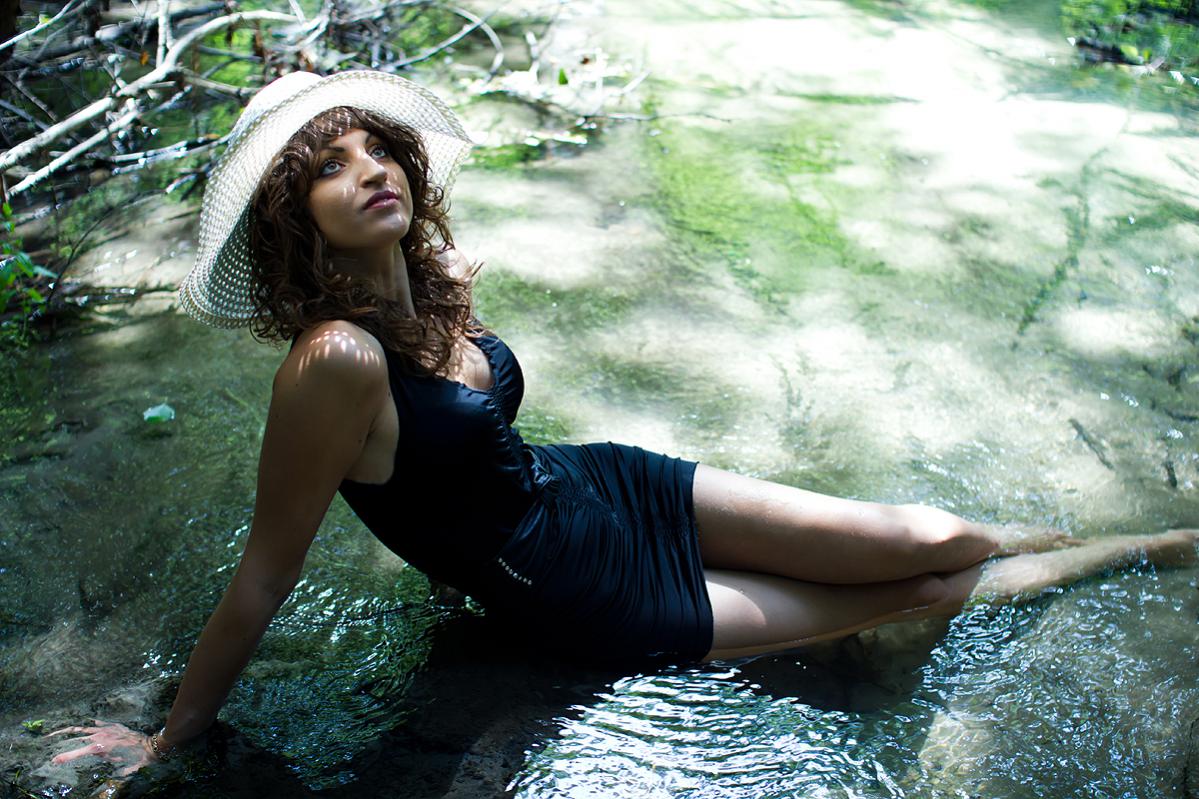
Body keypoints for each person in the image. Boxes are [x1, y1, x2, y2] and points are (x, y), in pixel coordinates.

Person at [45, 69, 1197, 778]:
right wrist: (171, 738)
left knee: (930, 534)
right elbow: (266, 567)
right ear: (293, 218)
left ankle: (1049, 540)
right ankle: (1140, 549)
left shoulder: (427, 286)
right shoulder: (332, 359)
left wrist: (445, 572)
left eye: (377, 148)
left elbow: (446, 463)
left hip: (607, 486)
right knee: (917, 591)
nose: (372, 171)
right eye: (328, 168)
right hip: (586, 591)